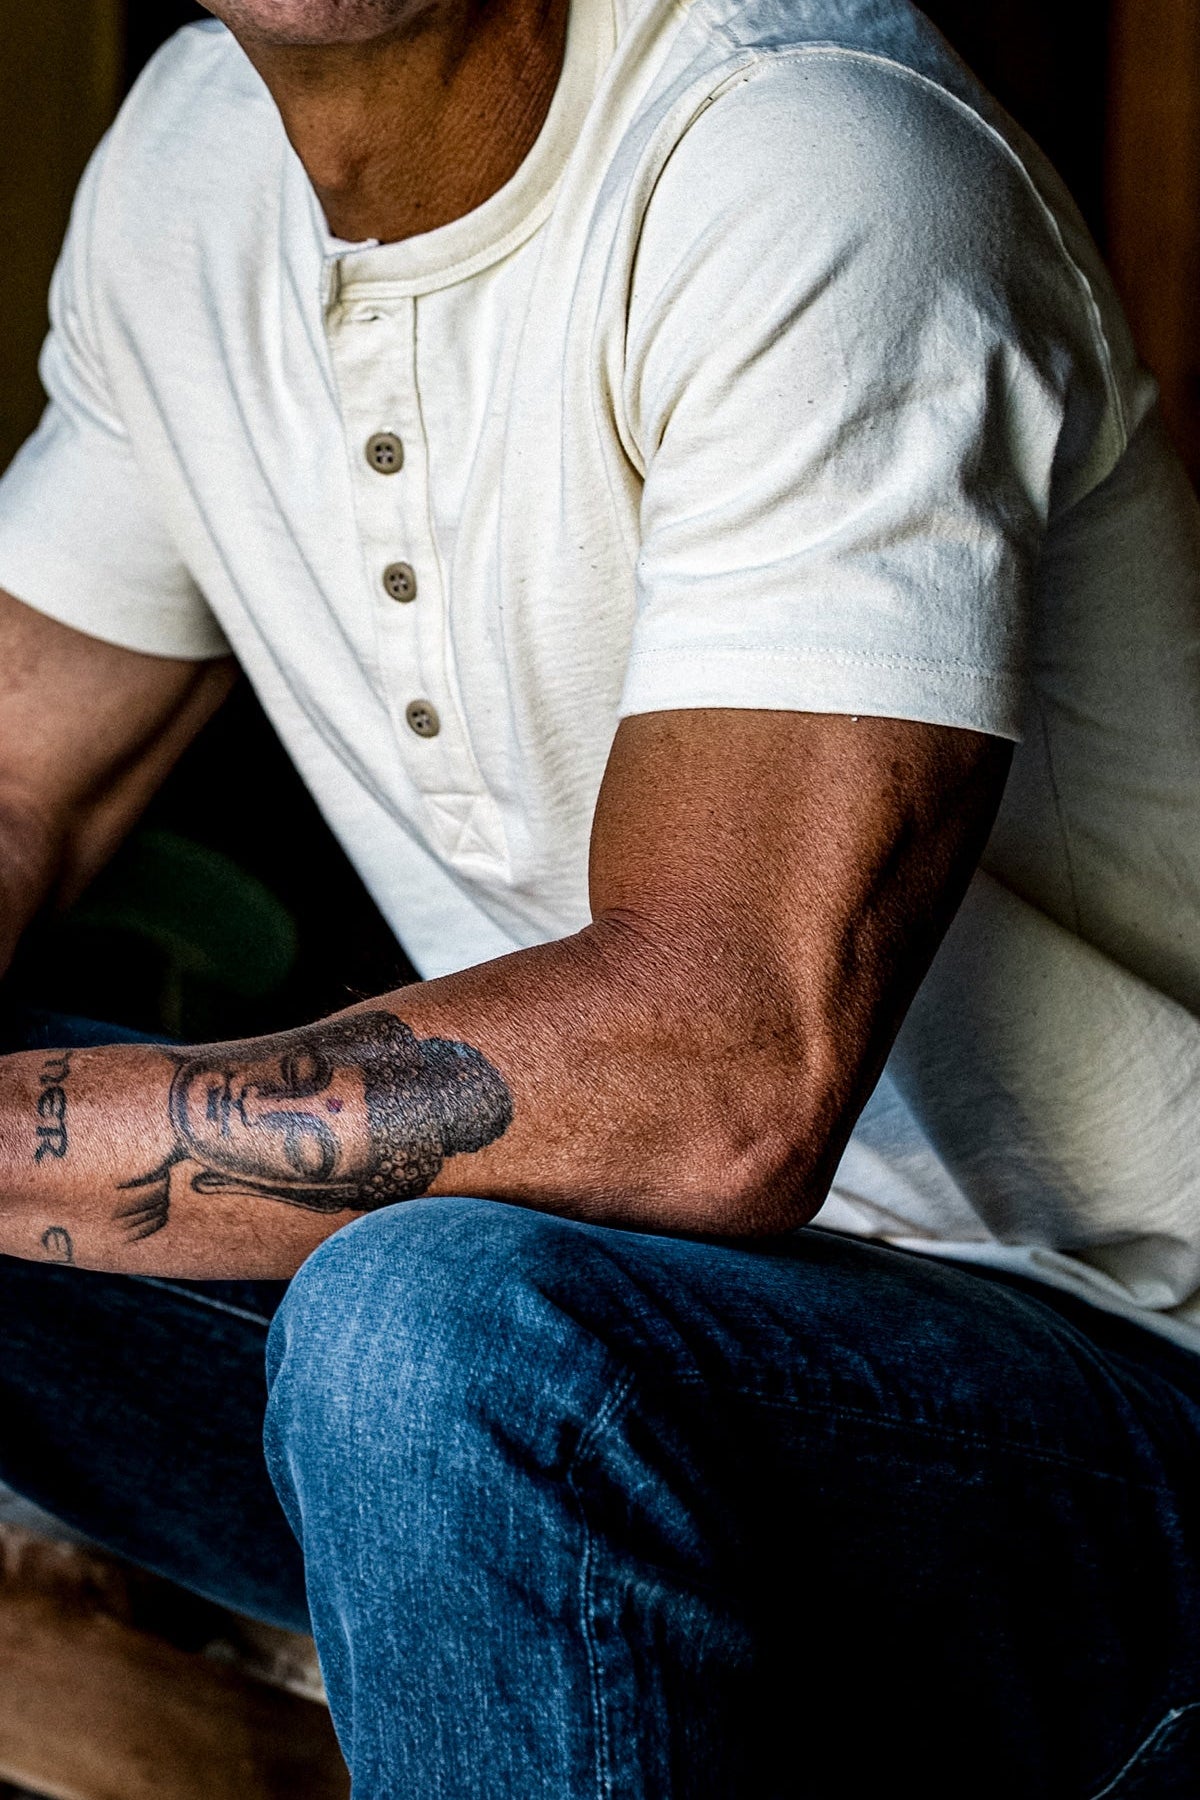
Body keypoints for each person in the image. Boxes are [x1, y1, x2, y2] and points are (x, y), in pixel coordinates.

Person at [0, 0, 1197, 1791]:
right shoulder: (192, 164)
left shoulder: (808, 155)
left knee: (430, 1331)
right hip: (619, 1313)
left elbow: (724, 1070)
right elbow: (20, 776)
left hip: (1121, 1373)